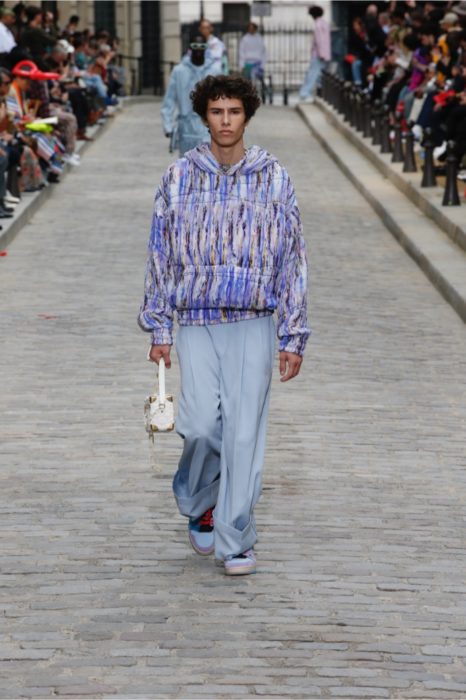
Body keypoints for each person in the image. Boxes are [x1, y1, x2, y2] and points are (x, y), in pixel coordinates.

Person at [139, 75, 310, 576]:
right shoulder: (178, 178)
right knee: (199, 427)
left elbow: (293, 258)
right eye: (217, 112)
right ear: (204, 117)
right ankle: (200, 502)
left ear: (247, 116)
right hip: (195, 320)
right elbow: (159, 254)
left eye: (234, 111)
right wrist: (159, 327)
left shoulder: (274, 178)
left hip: (254, 320)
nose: (226, 121)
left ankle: (235, 537)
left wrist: (293, 333)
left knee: (242, 436)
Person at [161, 33, 222, 155]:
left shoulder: (215, 71)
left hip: (208, 128)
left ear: (206, 47)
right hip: (186, 130)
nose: (198, 49)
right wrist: (168, 125)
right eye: (195, 45)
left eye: (202, 46)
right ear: (190, 47)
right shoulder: (179, 71)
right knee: (187, 164)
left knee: (208, 164)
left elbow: (222, 100)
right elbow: (169, 100)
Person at [299, 4, 331, 103]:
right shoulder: (323, 23)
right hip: (323, 54)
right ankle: (308, 93)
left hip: (319, 55)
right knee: (317, 74)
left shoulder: (318, 24)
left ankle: (305, 93)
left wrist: (322, 54)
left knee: (314, 74)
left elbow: (319, 41)